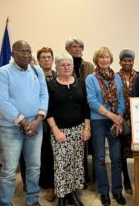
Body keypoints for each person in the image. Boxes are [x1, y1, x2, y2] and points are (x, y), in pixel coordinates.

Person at [0, 40, 48, 206]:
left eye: (28, 51)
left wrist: (38, 120)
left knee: (34, 167)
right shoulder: (3, 72)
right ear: (12, 54)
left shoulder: (37, 71)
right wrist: (24, 122)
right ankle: (5, 203)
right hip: (11, 129)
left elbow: (44, 96)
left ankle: (32, 200)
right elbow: (2, 102)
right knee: (9, 171)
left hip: (35, 126)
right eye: (21, 52)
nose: (26, 55)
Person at [46, 53, 91, 206]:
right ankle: (62, 196)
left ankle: (72, 194)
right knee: (61, 165)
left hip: (79, 130)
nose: (66, 67)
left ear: (73, 66)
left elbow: (86, 107)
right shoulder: (51, 85)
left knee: (76, 163)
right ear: (57, 67)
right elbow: (48, 110)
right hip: (60, 131)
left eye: (69, 64)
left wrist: (86, 128)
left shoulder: (80, 83)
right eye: (63, 65)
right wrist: (55, 130)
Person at [86, 47, 126, 206]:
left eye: (107, 57)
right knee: (100, 158)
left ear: (111, 59)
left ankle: (117, 191)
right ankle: (104, 191)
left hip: (115, 121)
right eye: (101, 57)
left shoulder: (116, 77)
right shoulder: (91, 78)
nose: (104, 60)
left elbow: (121, 99)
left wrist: (119, 117)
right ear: (97, 60)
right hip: (98, 121)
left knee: (116, 158)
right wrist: (112, 116)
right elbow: (92, 102)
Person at [65, 37, 94, 188]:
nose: (78, 49)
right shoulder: (64, 66)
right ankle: (76, 176)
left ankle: (86, 174)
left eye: (80, 47)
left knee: (86, 145)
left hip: (88, 106)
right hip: (71, 109)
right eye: (74, 47)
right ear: (67, 50)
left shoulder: (89, 66)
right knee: (74, 146)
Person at [36, 47, 57, 202]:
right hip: (41, 122)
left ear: (53, 59)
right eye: (43, 57)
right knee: (46, 155)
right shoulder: (34, 76)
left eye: (49, 57)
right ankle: (48, 186)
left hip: (58, 121)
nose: (46, 59)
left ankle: (60, 183)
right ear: (38, 60)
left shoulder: (58, 76)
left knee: (57, 155)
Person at [117, 49, 137, 195]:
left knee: (137, 150)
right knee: (122, 151)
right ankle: (126, 182)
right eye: (125, 60)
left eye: (130, 60)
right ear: (120, 62)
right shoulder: (115, 76)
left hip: (137, 118)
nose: (127, 63)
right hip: (121, 118)